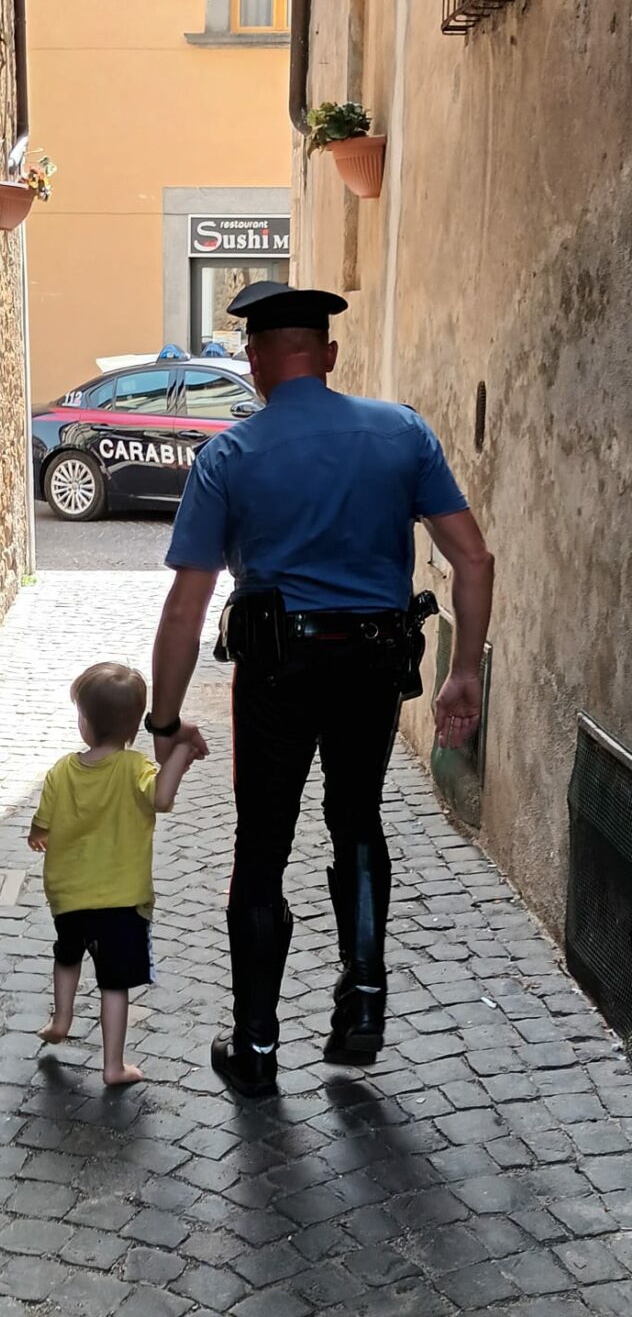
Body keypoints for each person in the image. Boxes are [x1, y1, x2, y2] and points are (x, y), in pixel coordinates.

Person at [149, 281, 494, 1098]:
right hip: (375, 662)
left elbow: (186, 604)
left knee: (263, 844)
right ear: (328, 355)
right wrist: (465, 669)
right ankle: (364, 1003)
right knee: (358, 817)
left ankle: (258, 1049)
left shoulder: (230, 455)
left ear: (257, 364)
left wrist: (163, 719)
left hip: (278, 667)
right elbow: (473, 559)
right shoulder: (403, 433)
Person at [28, 662, 198, 1085]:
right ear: (133, 728)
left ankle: (61, 1020)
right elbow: (161, 798)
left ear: (86, 723)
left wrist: (38, 835)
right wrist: (181, 751)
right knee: (113, 986)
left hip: (68, 896)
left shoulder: (62, 770)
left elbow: (42, 822)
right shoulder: (134, 768)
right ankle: (113, 1066)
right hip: (121, 902)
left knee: (66, 956)